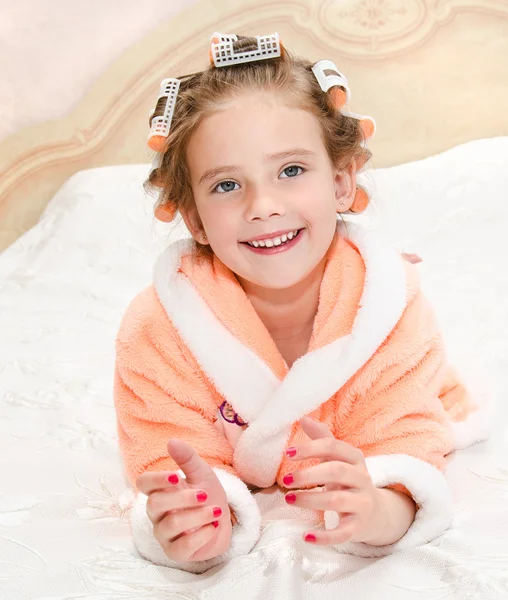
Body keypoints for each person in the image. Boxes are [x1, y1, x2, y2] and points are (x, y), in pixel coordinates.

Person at [113, 32, 487, 574]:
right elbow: (166, 452)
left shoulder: (387, 308)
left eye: (291, 171)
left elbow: (406, 441)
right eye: (225, 186)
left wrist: (380, 505)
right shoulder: (161, 327)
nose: (263, 206)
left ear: (340, 183)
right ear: (193, 219)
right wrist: (194, 515)